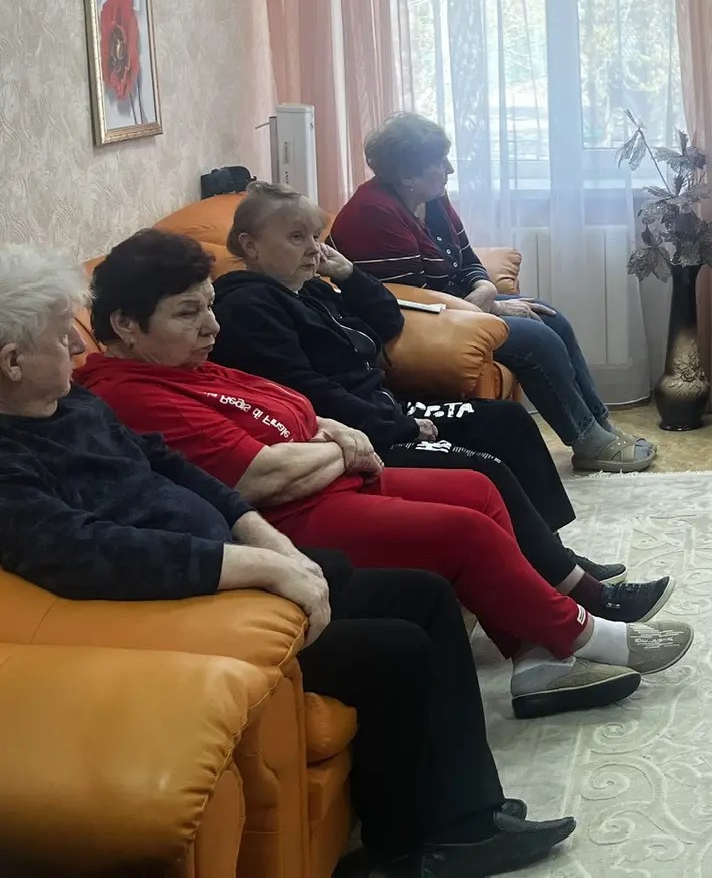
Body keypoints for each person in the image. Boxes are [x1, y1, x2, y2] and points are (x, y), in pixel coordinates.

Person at [0, 246, 579, 877]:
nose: (78, 349)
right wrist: (258, 567)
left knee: (425, 596)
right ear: (11, 362)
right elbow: (92, 551)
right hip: (192, 610)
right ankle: (411, 850)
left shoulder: (70, 405)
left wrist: (263, 538)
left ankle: (465, 817)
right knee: (396, 648)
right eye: (60, 337)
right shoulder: (10, 462)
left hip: (238, 565)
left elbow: (170, 465)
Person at [78, 229, 693, 719]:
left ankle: (536, 659)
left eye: (209, 308)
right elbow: (259, 476)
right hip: (289, 518)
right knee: (464, 533)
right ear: (126, 325)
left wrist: (333, 432)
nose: (212, 327)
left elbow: (291, 407)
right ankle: (588, 636)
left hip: (330, 477)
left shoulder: (183, 364)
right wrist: (348, 446)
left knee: (477, 488)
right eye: (188, 314)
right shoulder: (132, 393)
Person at [212, 182, 667, 623]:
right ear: (251, 246)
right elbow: (306, 392)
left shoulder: (309, 289)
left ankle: (552, 557)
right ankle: (580, 592)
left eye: (316, 236)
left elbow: (388, 320)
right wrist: (400, 425)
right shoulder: (249, 308)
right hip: (357, 433)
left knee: (508, 422)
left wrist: (348, 274)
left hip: (385, 410)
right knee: (485, 468)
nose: (313, 249)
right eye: (296, 238)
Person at [328, 113, 652, 475]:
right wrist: (492, 308)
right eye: (440, 162)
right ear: (407, 175)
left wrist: (485, 289)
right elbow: (412, 298)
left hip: (455, 307)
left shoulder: (430, 198)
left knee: (551, 318)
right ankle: (587, 441)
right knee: (537, 340)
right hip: (408, 322)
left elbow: (465, 256)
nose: (450, 169)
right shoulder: (374, 213)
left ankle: (600, 424)